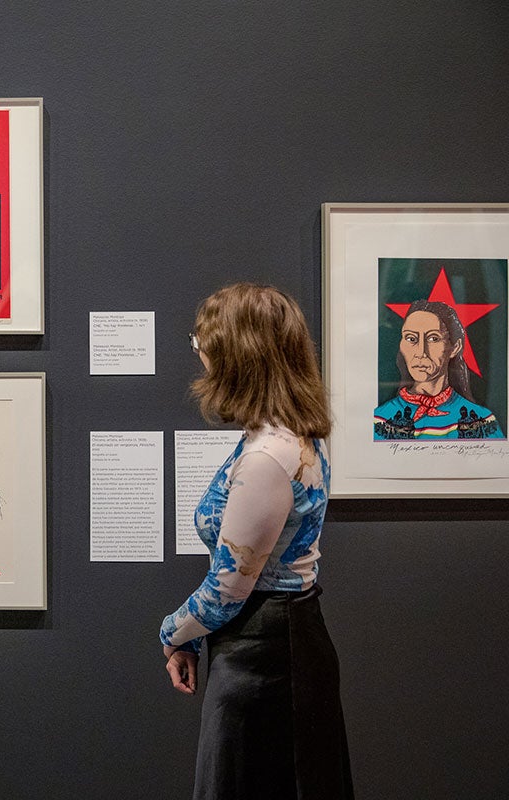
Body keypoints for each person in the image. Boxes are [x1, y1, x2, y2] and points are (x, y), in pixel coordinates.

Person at [159, 283, 352, 799]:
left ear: (239, 357)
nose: (198, 351)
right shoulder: (294, 434)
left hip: (262, 658)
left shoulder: (267, 457)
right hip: (284, 641)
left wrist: (172, 631)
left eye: (204, 342)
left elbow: (227, 589)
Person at [373, 299, 504, 439]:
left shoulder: (480, 421)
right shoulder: (381, 419)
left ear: (455, 348)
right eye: (411, 339)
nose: (421, 352)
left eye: (433, 339)